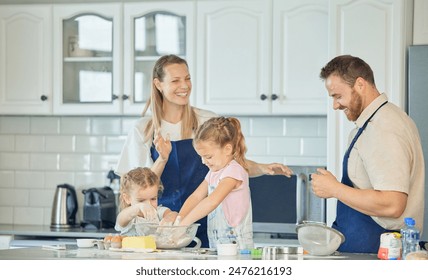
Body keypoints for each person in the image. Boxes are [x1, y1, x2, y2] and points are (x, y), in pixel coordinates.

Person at [115, 54, 293, 247]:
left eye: (187, 78)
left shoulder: (206, 120)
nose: (184, 86)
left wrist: (264, 168)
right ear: (158, 84)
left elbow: (229, 165)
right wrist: (163, 159)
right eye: (176, 80)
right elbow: (138, 187)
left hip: (211, 225)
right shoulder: (143, 129)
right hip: (165, 225)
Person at [311, 55, 425, 254]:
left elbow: (392, 204)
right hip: (366, 252)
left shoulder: (383, 127)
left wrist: (335, 189)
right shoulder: (376, 121)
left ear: (360, 84)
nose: (335, 105)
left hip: (376, 254)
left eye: (338, 96)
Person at [178, 116, 253, 250]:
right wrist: (179, 219)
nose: (203, 161)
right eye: (201, 157)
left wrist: (185, 224)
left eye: (208, 157)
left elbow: (212, 201)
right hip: (218, 245)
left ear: (227, 149)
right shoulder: (213, 173)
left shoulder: (233, 172)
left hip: (236, 245)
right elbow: (196, 197)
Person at [115, 167, 178, 236]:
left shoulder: (158, 212)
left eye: (153, 199)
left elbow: (174, 215)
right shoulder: (129, 217)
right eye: (141, 200)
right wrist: (137, 208)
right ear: (127, 198)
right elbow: (121, 219)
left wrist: (168, 219)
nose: (148, 204)